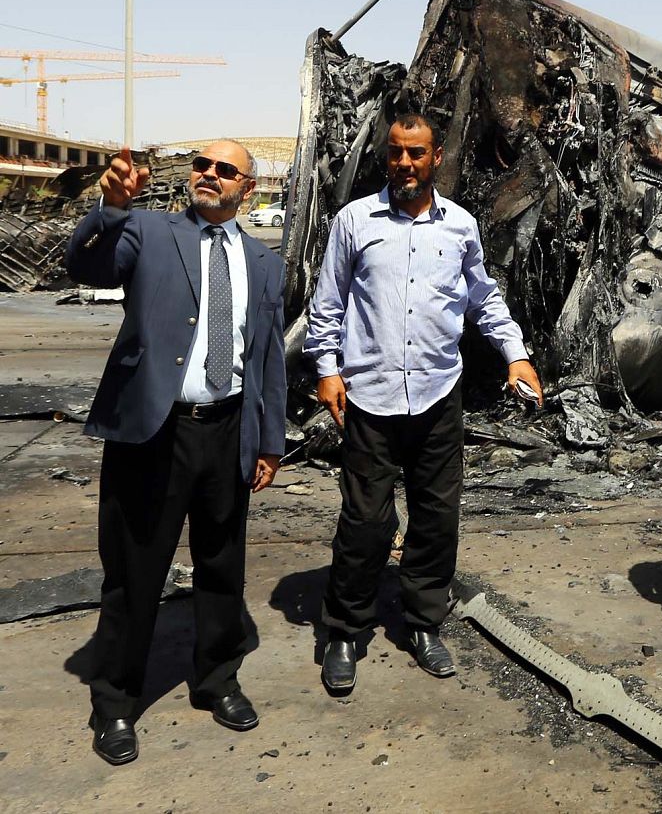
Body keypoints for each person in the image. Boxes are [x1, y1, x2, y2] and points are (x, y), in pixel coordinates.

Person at [65, 141, 286, 766]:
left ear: (249, 184)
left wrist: (271, 441)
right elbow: (87, 269)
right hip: (153, 433)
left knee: (222, 567)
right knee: (134, 573)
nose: (208, 176)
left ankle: (217, 681)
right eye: (201, 165)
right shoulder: (147, 230)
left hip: (227, 430)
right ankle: (114, 702)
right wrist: (109, 208)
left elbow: (266, 358)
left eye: (224, 170)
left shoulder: (265, 263)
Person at [305, 112, 542, 694]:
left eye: (416, 153)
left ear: (437, 157)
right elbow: (327, 302)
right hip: (370, 396)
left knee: (436, 519)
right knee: (364, 521)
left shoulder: (459, 226)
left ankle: (423, 621)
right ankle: (344, 630)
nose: (404, 163)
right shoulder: (354, 221)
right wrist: (327, 370)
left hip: (438, 396)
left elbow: (482, 297)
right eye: (395, 153)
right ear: (386, 157)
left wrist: (514, 353)